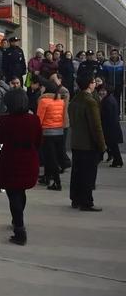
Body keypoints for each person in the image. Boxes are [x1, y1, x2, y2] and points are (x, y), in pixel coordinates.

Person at [0, 89, 41, 245]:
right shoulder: (34, 119)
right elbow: (39, 140)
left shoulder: (5, 120)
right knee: (20, 191)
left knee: (13, 193)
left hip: (10, 160)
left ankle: (19, 228)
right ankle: (18, 221)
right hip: (29, 159)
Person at [68, 74, 105, 211]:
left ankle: (75, 198)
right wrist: (102, 145)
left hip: (76, 141)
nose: (95, 84)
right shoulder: (90, 102)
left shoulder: (74, 100)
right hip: (88, 144)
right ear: (90, 84)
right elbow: (96, 126)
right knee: (88, 174)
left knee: (77, 172)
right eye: (94, 82)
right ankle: (86, 201)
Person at [36, 81, 67, 190]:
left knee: (50, 158)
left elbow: (39, 118)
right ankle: (48, 178)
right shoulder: (60, 101)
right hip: (59, 132)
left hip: (47, 133)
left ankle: (56, 182)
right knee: (55, 157)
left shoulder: (43, 101)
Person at [99, 85, 123, 168]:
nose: (102, 92)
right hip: (113, 127)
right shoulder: (110, 99)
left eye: (104, 91)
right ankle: (117, 161)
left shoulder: (107, 101)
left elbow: (106, 116)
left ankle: (118, 161)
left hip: (110, 128)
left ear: (108, 91)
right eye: (101, 91)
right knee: (113, 146)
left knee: (113, 146)